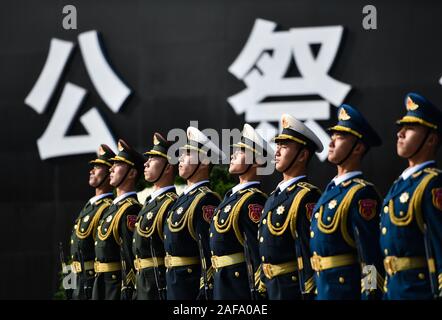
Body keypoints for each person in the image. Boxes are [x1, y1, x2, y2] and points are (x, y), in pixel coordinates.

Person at [310, 104, 384, 300]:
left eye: (340, 137)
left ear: (358, 147)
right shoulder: (331, 191)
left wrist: (370, 295)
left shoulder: (361, 193)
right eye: (332, 136)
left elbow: (370, 258)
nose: (331, 143)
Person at [381, 93, 442, 299]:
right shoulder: (399, 185)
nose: (400, 133)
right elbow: (371, 256)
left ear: (431, 139)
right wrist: (371, 292)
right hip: (392, 292)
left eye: (411, 128)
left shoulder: (433, 184)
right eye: (401, 127)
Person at [259, 114, 322, 300]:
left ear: (302, 155)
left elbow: (309, 249)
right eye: (277, 146)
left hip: (292, 289)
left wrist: (309, 291)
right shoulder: (273, 196)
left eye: (284, 147)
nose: (276, 152)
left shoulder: (306, 196)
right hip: (271, 287)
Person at [163, 126, 224, 300]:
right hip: (175, 284)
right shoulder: (183, 199)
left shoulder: (206, 200)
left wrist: (205, 292)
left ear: (204, 162)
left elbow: (208, 252)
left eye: (188, 154)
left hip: (191, 289)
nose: (180, 158)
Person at [210, 124, 269, 300]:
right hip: (223, 281)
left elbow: (257, 251)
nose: (233, 155)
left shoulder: (253, 200)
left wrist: (260, 290)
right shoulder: (232, 196)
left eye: (241, 151)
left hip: (239, 286)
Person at [92, 139, 144, 300]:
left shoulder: (130, 209)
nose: (111, 168)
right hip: (102, 285)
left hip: (116, 288)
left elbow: (130, 257)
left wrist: (128, 292)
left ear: (132, 173)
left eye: (118, 164)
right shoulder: (113, 208)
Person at [132, 133, 178, 300]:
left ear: (167, 168)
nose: (146, 163)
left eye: (153, 158)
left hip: (158, 285)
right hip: (143, 283)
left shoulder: (171, 203)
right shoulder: (151, 202)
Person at [69, 144, 115, 300]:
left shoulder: (107, 208)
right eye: (93, 166)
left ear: (110, 173)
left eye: (98, 167)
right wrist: (69, 284)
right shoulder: (90, 206)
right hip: (78, 282)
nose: (92, 170)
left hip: (93, 283)